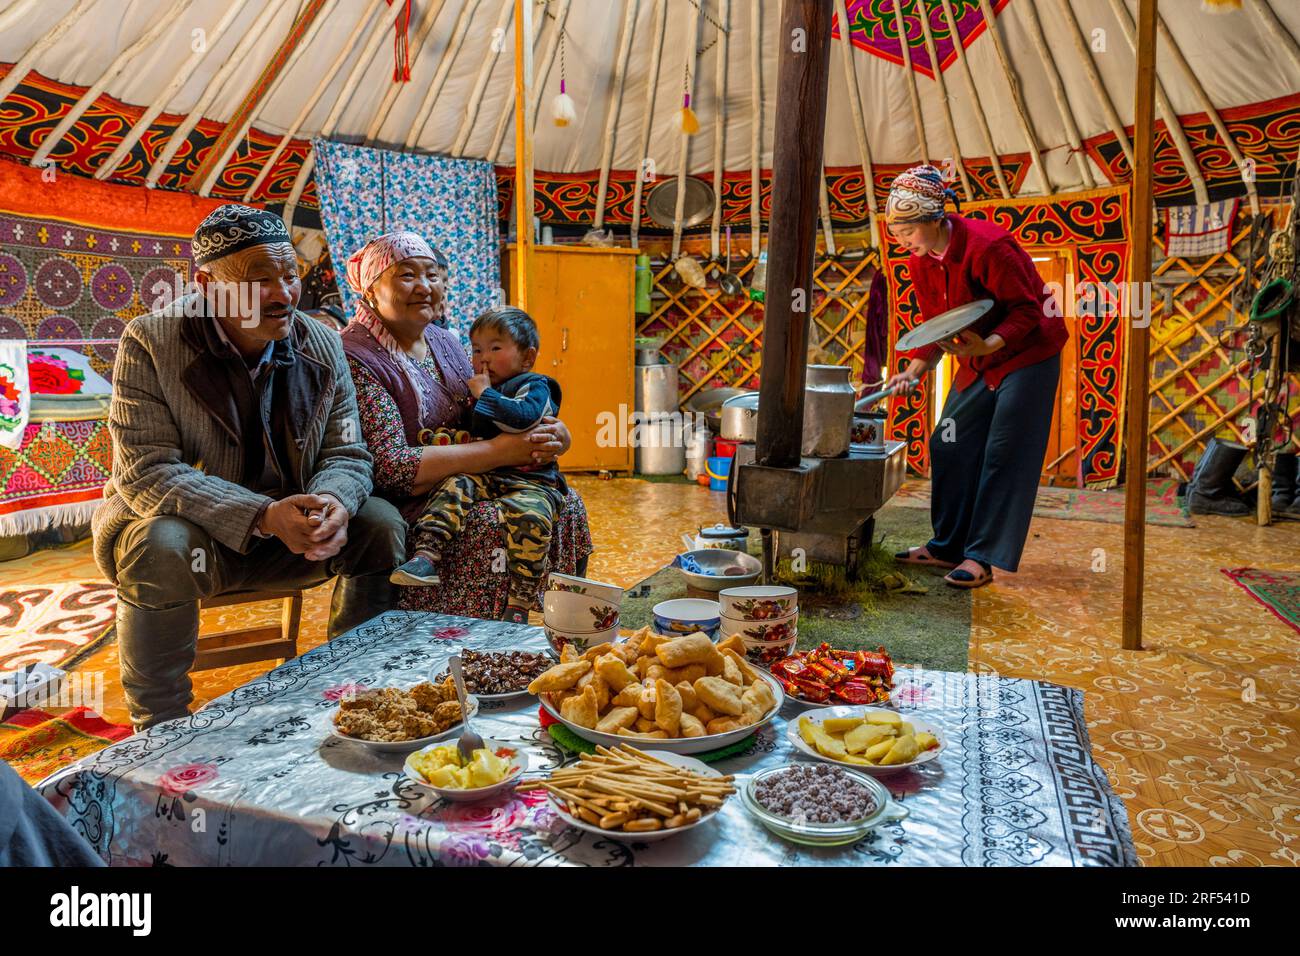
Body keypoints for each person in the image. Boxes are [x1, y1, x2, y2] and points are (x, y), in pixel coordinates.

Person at [92, 204, 405, 730]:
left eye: (290, 275)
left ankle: (358, 691)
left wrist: (332, 502)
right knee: (160, 543)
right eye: (260, 280)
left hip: (290, 541)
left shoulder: (323, 344)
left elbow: (347, 452)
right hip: (198, 546)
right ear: (206, 284)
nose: (283, 294)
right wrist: (263, 515)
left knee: (378, 523)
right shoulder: (151, 340)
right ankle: (161, 727)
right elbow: (148, 471)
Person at [341, 232, 593, 620]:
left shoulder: (446, 341)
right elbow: (391, 468)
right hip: (407, 498)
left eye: (433, 275)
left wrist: (555, 434)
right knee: (487, 523)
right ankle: (448, 643)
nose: (425, 287)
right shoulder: (355, 357)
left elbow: (491, 409)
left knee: (563, 500)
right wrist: (501, 453)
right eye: (406, 275)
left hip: (483, 474)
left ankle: (533, 629)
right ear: (371, 290)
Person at [884, 165, 1066, 589]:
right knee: (948, 441)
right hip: (977, 358)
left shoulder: (989, 247)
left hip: (1027, 356)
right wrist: (915, 368)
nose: (901, 241)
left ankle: (981, 556)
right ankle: (946, 545)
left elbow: (1028, 312)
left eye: (906, 230)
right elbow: (936, 324)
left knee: (1005, 452)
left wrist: (987, 347)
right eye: (895, 232)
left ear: (933, 219)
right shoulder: (920, 262)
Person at [391, 307, 567, 624]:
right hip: (487, 474)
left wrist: (484, 394)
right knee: (453, 484)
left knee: (530, 519)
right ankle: (426, 555)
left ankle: (519, 601)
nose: (482, 358)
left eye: (495, 348)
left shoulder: (537, 385)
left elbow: (522, 419)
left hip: (530, 481)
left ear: (527, 357)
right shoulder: (486, 390)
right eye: (476, 350)